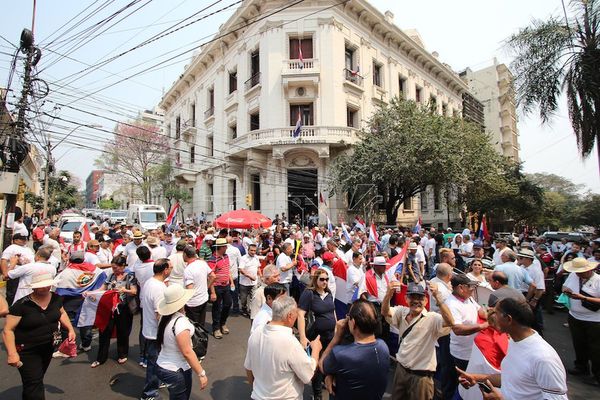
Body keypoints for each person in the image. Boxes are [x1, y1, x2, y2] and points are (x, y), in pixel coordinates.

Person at [457, 298, 568, 400]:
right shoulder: (514, 341)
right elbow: (509, 378)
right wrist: (476, 378)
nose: (490, 314)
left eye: (496, 313)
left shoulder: (543, 358)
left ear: (509, 319)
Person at [3, 272, 76, 400]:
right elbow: (8, 330)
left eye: (48, 285)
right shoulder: (21, 305)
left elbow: (62, 313)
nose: (45, 288)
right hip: (27, 350)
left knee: (35, 380)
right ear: (33, 287)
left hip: (48, 346)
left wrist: (70, 329)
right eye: (41, 286)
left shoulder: (56, 298)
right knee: (34, 382)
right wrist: (12, 353)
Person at [382, 281, 454, 400]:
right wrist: (389, 294)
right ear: (406, 299)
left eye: (420, 298)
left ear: (426, 301)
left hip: (421, 378)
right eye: (412, 297)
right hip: (401, 371)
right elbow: (385, 312)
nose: (416, 301)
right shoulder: (401, 312)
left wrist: (438, 298)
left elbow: (451, 322)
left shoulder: (433, 319)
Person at [244, 296, 322, 400]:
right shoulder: (290, 342)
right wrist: (316, 350)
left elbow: (248, 368)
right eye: (296, 314)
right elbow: (308, 375)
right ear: (290, 316)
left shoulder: (256, 333)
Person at [320, 300, 390, 400]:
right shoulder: (383, 347)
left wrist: (337, 337)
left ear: (353, 323)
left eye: (348, 317)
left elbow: (322, 365)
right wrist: (331, 375)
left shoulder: (340, 354)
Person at [156, 284, 208, 399]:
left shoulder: (163, 318)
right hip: (176, 370)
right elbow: (187, 352)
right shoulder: (181, 323)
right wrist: (201, 373)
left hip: (162, 365)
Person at [443, 274, 489, 399]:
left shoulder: (468, 298)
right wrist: (483, 326)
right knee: (460, 383)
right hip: (461, 354)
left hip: (472, 349)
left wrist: (490, 314)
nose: (472, 289)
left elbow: (480, 310)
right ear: (460, 288)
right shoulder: (451, 305)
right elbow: (457, 329)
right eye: (470, 287)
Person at [90, 255, 137, 368]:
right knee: (104, 331)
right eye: (112, 267)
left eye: (116, 268)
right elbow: (103, 288)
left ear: (122, 266)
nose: (114, 270)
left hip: (123, 308)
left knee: (123, 332)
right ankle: (101, 358)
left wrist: (124, 290)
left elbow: (134, 291)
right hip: (110, 308)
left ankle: (122, 353)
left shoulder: (130, 276)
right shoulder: (111, 276)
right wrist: (92, 293)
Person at [297, 268, 337, 400]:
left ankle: (326, 384)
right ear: (316, 280)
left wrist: (336, 329)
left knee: (329, 363)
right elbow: (300, 314)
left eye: (327, 279)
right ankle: (317, 394)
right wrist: (302, 336)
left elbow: (333, 312)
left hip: (331, 335)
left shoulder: (329, 293)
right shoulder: (309, 294)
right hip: (317, 336)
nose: (325, 282)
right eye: (322, 279)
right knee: (317, 366)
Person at [561, 257, 600, 385]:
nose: (578, 274)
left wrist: (583, 298)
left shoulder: (598, 281)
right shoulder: (573, 276)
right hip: (575, 316)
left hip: (594, 320)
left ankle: (597, 375)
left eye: (580, 272)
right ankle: (581, 366)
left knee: (595, 348)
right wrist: (566, 292)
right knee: (579, 344)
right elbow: (564, 286)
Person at [140, 258, 171, 400]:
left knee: (157, 361)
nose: (171, 269)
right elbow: (160, 314)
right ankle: (149, 393)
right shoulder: (159, 288)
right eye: (170, 267)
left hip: (149, 330)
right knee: (154, 363)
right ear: (165, 270)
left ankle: (158, 381)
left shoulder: (150, 282)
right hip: (155, 333)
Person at [207, 238, 234, 339]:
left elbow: (228, 270)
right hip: (217, 286)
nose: (226, 248)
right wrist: (212, 292)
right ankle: (216, 328)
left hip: (226, 285)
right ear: (221, 247)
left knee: (228, 304)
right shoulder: (212, 259)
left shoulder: (226, 256)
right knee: (217, 307)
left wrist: (231, 282)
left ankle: (223, 323)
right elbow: (211, 276)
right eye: (225, 246)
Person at [183, 245, 215, 328]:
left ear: (185, 255)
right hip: (203, 298)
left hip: (192, 303)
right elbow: (213, 276)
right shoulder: (202, 263)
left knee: (193, 327)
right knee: (201, 325)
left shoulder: (188, 269)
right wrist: (206, 287)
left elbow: (190, 289)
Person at [516, 248, 546, 335]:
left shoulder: (536, 271)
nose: (519, 260)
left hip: (532, 295)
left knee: (532, 319)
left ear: (528, 259)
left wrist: (534, 300)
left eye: (521, 258)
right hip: (523, 294)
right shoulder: (521, 267)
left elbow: (540, 288)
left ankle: (539, 336)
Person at [1, 233, 35, 306]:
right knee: (12, 293)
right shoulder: (11, 248)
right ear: (15, 240)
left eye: (25, 239)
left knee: (24, 292)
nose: (24, 240)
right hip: (15, 274)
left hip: (27, 274)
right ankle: (9, 309)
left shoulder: (27, 248)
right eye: (22, 239)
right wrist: (5, 274)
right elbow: (4, 260)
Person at [239, 244, 261, 317]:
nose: (253, 252)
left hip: (254, 283)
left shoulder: (256, 258)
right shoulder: (243, 258)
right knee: (243, 299)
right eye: (251, 250)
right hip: (244, 283)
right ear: (248, 250)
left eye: (254, 250)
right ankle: (244, 308)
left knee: (253, 298)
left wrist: (261, 276)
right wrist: (249, 276)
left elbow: (258, 268)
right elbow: (241, 270)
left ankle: (252, 311)